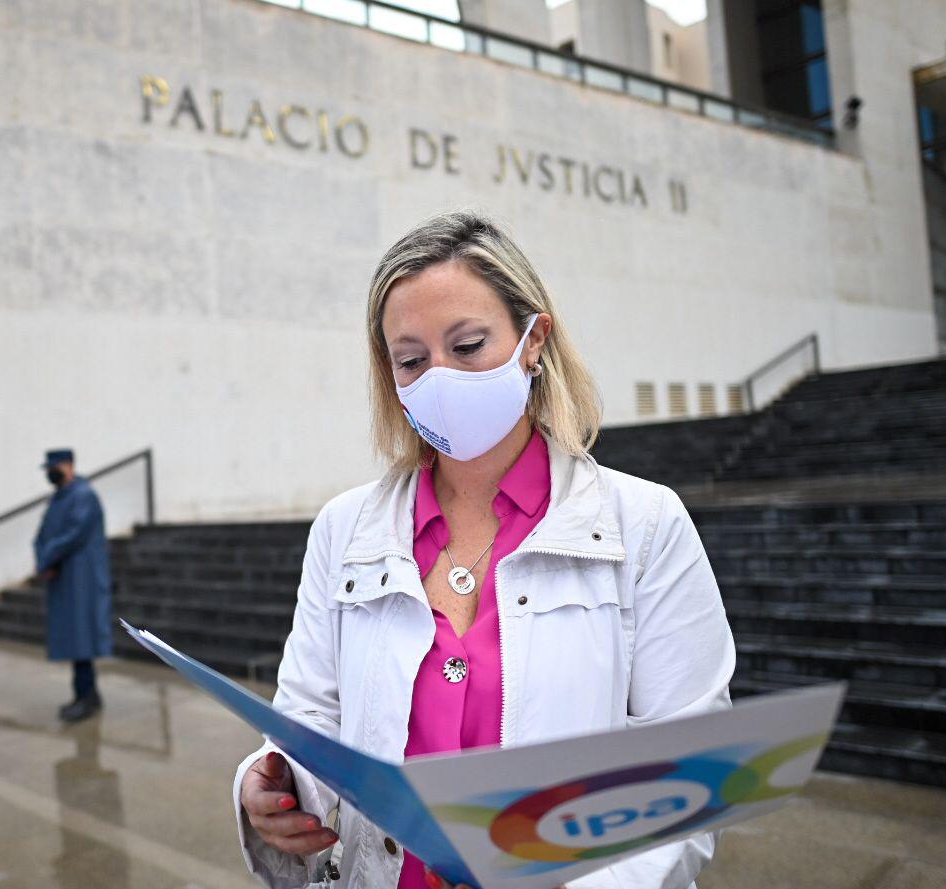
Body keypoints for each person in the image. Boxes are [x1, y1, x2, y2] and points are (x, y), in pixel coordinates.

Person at [232, 210, 736, 889]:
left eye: (467, 345)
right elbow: (308, 716)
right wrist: (278, 785)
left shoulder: (644, 524)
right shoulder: (343, 528)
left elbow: (686, 767)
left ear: (533, 340)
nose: (439, 376)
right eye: (411, 359)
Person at [33, 448, 113, 723]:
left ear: (68, 465)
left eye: (53, 468)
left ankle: (87, 697)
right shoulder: (59, 498)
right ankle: (85, 695)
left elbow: (72, 535)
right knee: (74, 638)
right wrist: (44, 560)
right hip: (64, 578)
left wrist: (47, 558)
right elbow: (43, 535)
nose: (49, 473)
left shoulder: (83, 496)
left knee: (82, 640)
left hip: (82, 580)